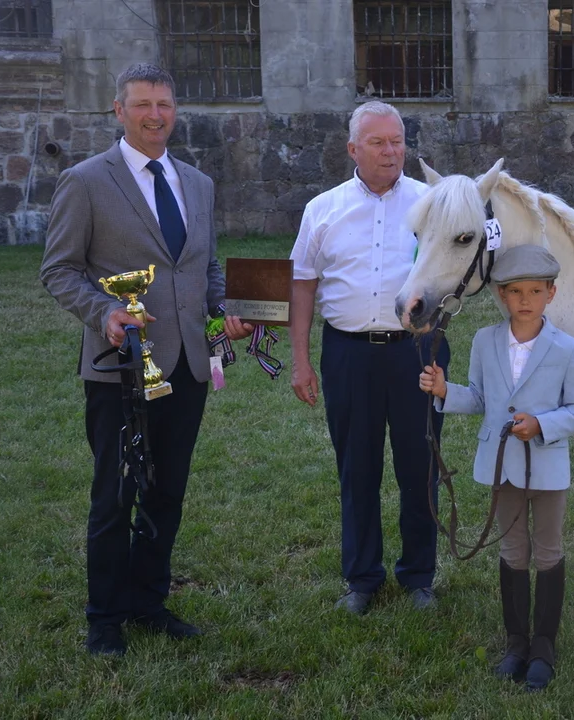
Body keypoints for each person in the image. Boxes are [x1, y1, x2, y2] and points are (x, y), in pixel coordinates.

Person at [40, 63, 253, 656]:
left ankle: (147, 600)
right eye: (142, 105)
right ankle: (104, 617)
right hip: (120, 369)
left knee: (167, 489)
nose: (155, 115)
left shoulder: (198, 183)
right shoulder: (85, 181)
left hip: (185, 366)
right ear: (119, 111)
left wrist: (223, 314)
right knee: (115, 494)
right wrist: (104, 313)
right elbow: (58, 270)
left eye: (164, 104)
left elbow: (205, 267)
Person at [289, 101, 449, 615]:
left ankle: (418, 575)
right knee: (357, 469)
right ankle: (361, 578)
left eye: (398, 140)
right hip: (349, 355)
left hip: (417, 352)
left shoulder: (432, 204)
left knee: (419, 465)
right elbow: (303, 285)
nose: (391, 151)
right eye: (378, 142)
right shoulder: (323, 209)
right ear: (352, 149)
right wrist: (300, 360)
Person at [419, 245, 574, 692]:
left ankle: (544, 647)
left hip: (548, 468)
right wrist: (444, 390)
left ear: (550, 294)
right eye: (515, 291)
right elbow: (479, 398)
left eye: (535, 290)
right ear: (501, 295)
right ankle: (516, 642)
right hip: (501, 469)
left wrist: (541, 424)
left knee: (548, 551)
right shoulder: (485, 341)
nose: (525, 299)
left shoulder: (566, 348)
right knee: (513, 553)